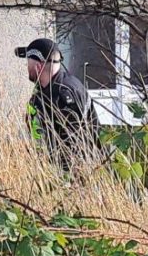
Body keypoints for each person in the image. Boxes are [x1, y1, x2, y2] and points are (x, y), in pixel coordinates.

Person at [17, 38, 100, 171]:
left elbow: (71, 147)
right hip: (50, 168)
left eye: (28, 63)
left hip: (71, 175)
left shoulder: (63, 95)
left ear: (38, 66)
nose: (26, 67)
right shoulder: (45, 89)